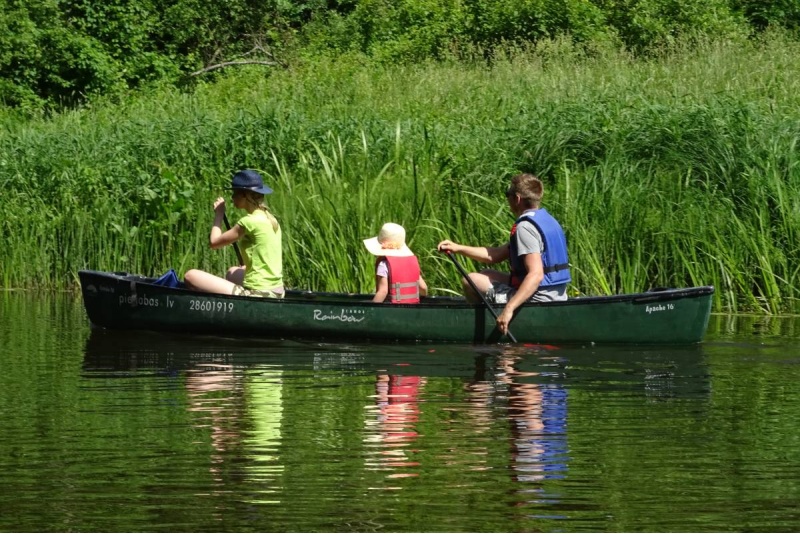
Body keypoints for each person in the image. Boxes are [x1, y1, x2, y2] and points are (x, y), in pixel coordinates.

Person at [437, 173, 570, 334]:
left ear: (517, 199)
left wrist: (509, 309)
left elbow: (536, 275)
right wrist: (458, 248)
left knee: (470, 280)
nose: (507, 200)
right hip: (555, 292)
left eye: (508, 195)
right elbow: (495, 255)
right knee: (485, 273)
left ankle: (488, 327)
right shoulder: (546, 220)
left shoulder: (525, 228)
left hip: (539, 297)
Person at [184, 169, 284, 297]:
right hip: (277, 291)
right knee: (232, 272)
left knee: (190, 275)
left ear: (245, 195)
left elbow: (214, 243)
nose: (232, 198)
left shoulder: (248, 222)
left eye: (235, 193)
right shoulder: (271, 219)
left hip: (258, 292)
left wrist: (219, 214)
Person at [363, 222, 428, 303]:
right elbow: (423, 288)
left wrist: (371, 310)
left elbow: (383, 292)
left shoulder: (383, 264)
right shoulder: (411, 263)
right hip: (412, 308)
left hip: (392, 309)